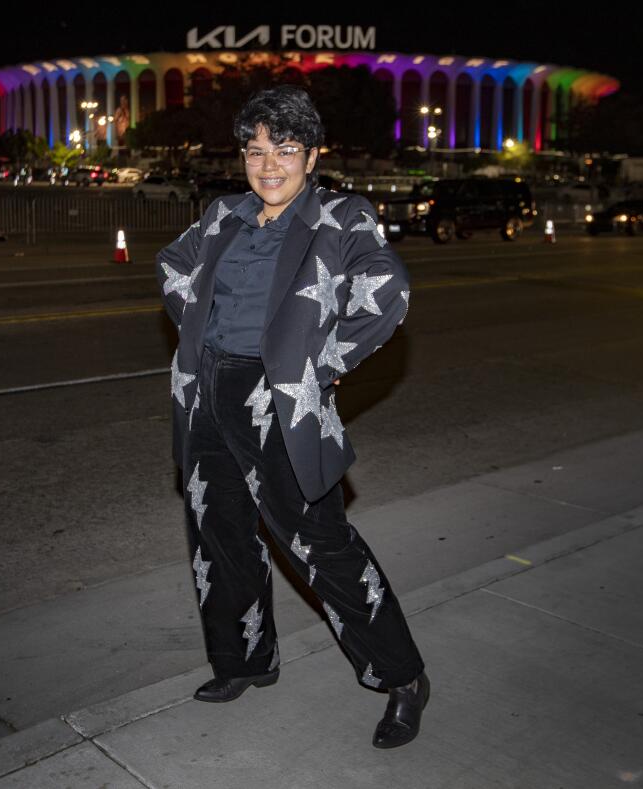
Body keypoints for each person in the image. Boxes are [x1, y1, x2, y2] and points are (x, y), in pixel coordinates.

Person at [156, 86, 428, 749]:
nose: (268, 164)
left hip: (277, 400)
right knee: (218, 533)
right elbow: (172, 265)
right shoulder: (224, 214)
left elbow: (388, 289)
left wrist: (321, 361)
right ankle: (245, 658)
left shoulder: (340, 216)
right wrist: (198, 334)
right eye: (254, 150)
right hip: (208, 389)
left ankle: (403, 676)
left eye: (284, 149)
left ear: (312, 154)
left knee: (322, 547)